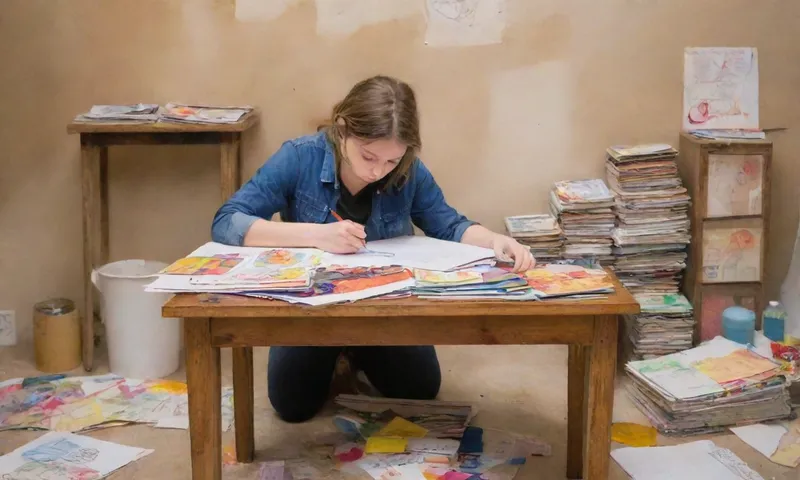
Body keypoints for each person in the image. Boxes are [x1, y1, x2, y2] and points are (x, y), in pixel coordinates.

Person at [211, 75, 535, 422]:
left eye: (391, 162)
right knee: (292, 405)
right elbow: (227, 222)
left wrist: (495, 241)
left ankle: (357, 353)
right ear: (342, 129)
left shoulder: (409, 169)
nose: (378, 171)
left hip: (386, 309)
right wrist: (316, 235)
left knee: (420, 390)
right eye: (368, 156)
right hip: (313, 311)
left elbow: (449, 224)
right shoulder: (300, 157)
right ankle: (339, 354)